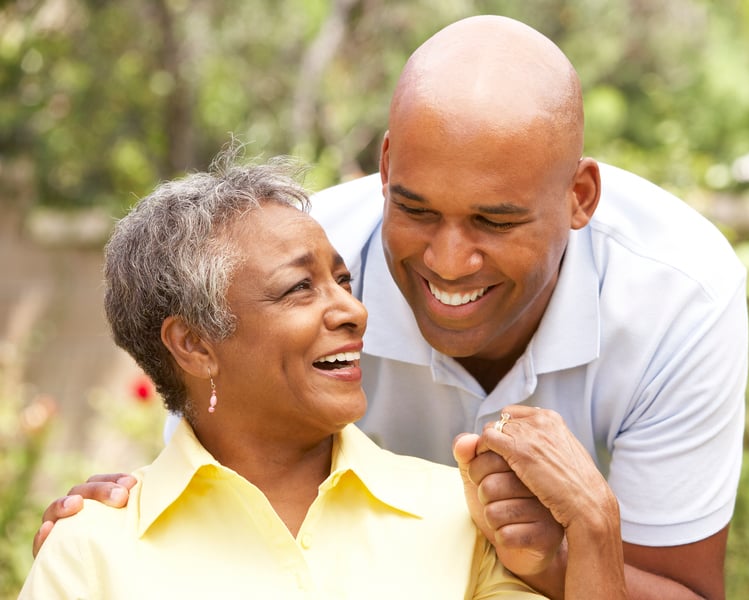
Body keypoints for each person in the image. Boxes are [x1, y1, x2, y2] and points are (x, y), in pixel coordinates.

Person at [34, 15, 746, 600]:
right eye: (416, 210)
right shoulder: (301, 247)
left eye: (495, 222)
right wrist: (107, 531)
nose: (449, 260)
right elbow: (217, 439)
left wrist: (573, 545)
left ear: (580, 198)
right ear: (383, 169)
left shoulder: (679, 295)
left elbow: (684, 588)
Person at [20, 148, 567, 598]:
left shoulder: (464, 517)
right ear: (194, 344)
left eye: (342, 281)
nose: (353, 311)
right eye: (299, 288)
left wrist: (582, 536)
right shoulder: (91, 552)